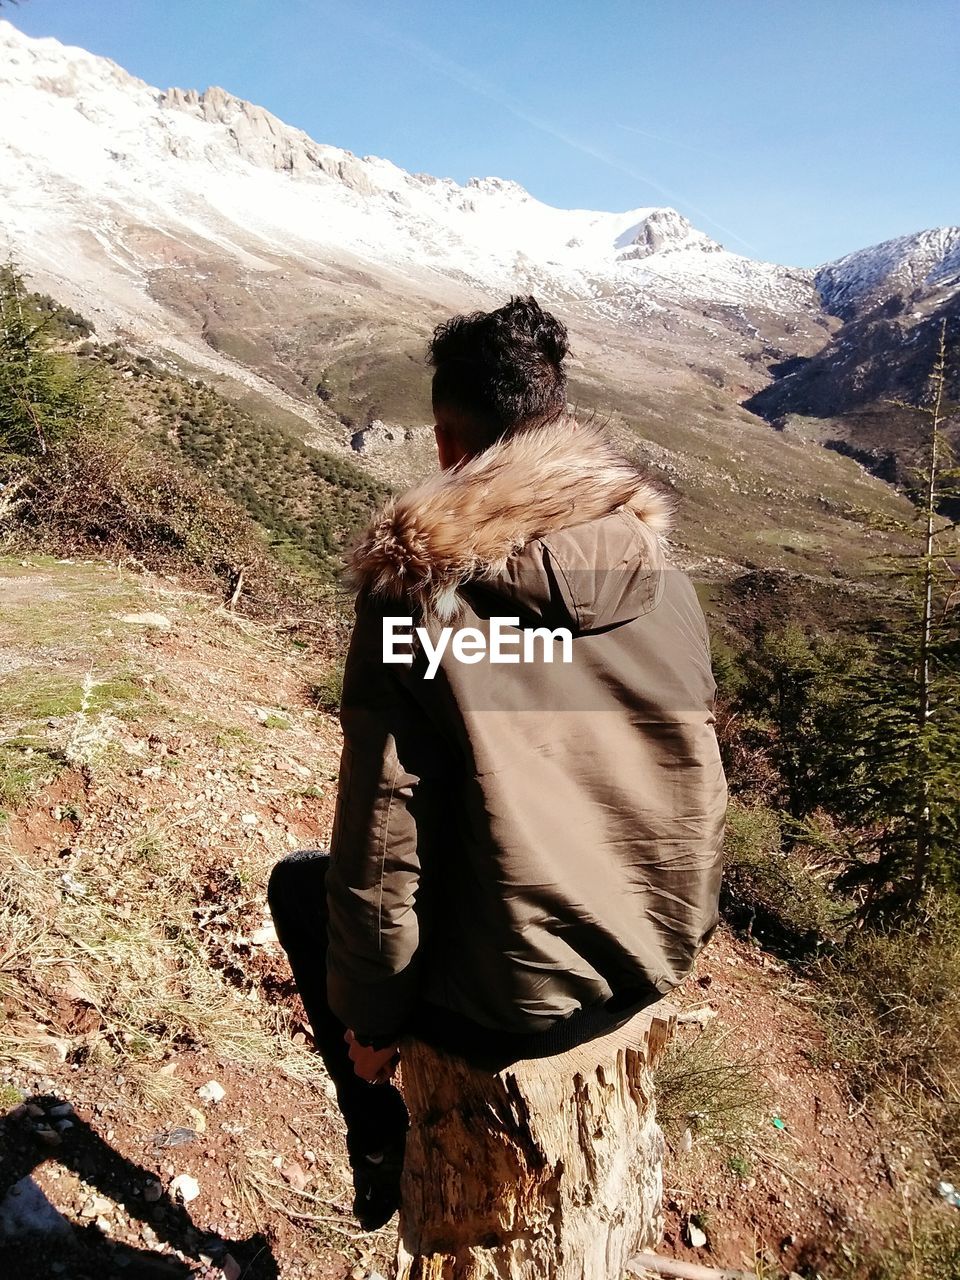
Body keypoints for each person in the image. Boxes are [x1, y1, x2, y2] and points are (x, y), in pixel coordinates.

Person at [268, 295, 726, 1231]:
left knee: (296, 890)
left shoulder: (416, 600)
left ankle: (377, 1138)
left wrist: (373, 1025)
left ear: (446, 440)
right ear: (555, 426)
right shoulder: (663, 581)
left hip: (510, 1004)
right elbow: (693, 784)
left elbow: (383, 840)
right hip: (655, 953)